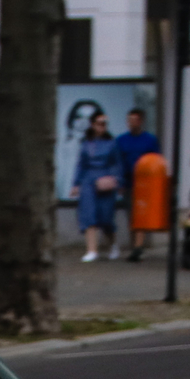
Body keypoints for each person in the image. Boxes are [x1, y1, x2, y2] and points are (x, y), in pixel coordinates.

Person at [113, 107, 161, 260]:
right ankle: (135, 244)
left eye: (135, 120)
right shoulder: (121, 140)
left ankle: (138, 247)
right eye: (130, 120)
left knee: (139, 214)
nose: (132, 123)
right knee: (131, 215)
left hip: (145, 183)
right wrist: (119, 181)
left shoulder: (150, 140)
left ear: (141, 121)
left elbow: (156, 160)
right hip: (128, 182)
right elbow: (118, 162)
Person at [73, 110, 121, 262]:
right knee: (89, 214)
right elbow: (81, 164)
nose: (103, 127)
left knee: (106, 216)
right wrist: (76, 183)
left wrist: (115, 179)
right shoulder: (86, 143)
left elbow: (116, 163)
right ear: (93, 125)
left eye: (105, 124)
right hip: (88, 180)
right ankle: (92, 250)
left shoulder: (111, 143)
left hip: (105, 179)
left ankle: (112, 244)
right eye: (100, 123)